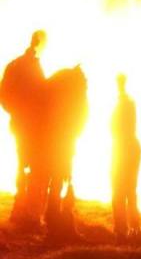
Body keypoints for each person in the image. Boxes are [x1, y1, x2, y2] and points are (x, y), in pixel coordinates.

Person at [1, 30, 48, 224]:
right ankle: (25, 212)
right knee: (30, 165)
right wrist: (21, 113)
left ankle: (22, 209)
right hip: (28, 125)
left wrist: (16, 112)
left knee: (24, 164)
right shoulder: (26, 66)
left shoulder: (18, 65)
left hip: (25, 123)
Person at [42, 66, 88, 239]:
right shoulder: (72, 95)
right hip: (64, 142)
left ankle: (52, 219)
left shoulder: (58, 86)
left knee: (55, 180)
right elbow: (79, 119)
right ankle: (55, 220)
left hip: (54, 141)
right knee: (58, 180)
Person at [111, 74, 141, 242]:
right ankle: (133, 227)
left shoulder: (123, 103)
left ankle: (122, 229)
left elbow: (115, 126)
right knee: (130, 189)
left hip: (122, 148)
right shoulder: (128, 103)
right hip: (130, 147)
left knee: (119, 190)